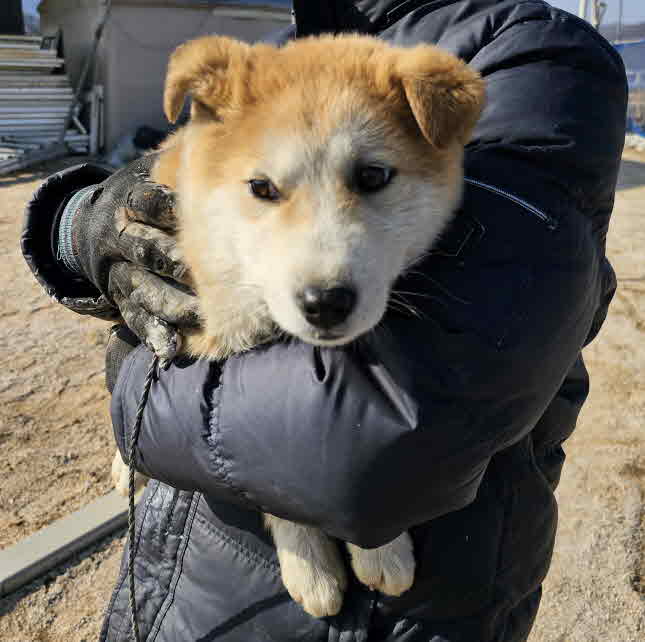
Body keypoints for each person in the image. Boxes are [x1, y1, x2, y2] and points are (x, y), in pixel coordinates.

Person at [21, 1, 626, 641]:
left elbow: (366, 446)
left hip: (421, 610)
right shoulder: (278, 50)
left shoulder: (531, 53)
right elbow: (169, 193)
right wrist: (75, 219)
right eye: (268, 191)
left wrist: (136, 390)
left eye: (369, 178)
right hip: (184, 590)